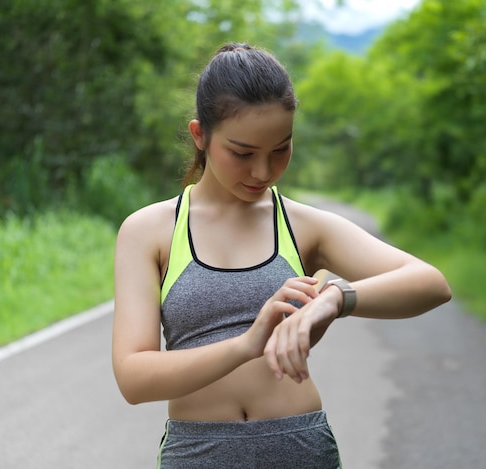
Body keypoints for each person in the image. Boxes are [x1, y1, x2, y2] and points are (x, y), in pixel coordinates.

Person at [112, 42, 451, 469]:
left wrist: (335, 299)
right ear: (200, 136)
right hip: (196, 453)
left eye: (280, 149)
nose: (263, 172)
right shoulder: (150, 230)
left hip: (298, 446)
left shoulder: (303, 226)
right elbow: (133, 378)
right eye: (242, 153)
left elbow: (431, 284)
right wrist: (247, 344)